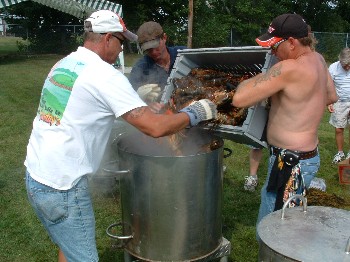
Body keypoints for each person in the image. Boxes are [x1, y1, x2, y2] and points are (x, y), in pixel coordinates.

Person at [24, 10, 217, 262]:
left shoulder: (65, 64)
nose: (121, 49)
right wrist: (194, 112)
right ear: (107, 39)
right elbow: (155, 129)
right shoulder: (103, 74)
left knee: (68, 246)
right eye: (121, 42)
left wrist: (141, 102)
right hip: (63, 187)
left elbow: (90, 106)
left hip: (37, 175)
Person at [231, 13, 338, 226]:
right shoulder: (318, 59)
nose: (272, 51)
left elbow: (239, 99)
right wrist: (302, 100)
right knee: (288, 217)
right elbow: (332, 96)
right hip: (308, 158)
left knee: (272, 223)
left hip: (290, 162)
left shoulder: (287, 68)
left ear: (291, 42)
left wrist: (259, 76)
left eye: (274, 45)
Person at [128, 21, 187, 104]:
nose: (153, 52)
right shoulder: (141, 68)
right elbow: (128, 98)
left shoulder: (183, 54)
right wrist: (140, 98)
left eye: (155, 46)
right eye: (148, 49)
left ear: (164, 38)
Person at [328, 48, 350, 164]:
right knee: (339, 129)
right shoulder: (333, 68)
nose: (346, 67)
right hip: (339, 102)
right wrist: (330, 102)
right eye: (344, 65)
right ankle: (340, 152)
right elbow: (329, 85)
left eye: (349, 65)